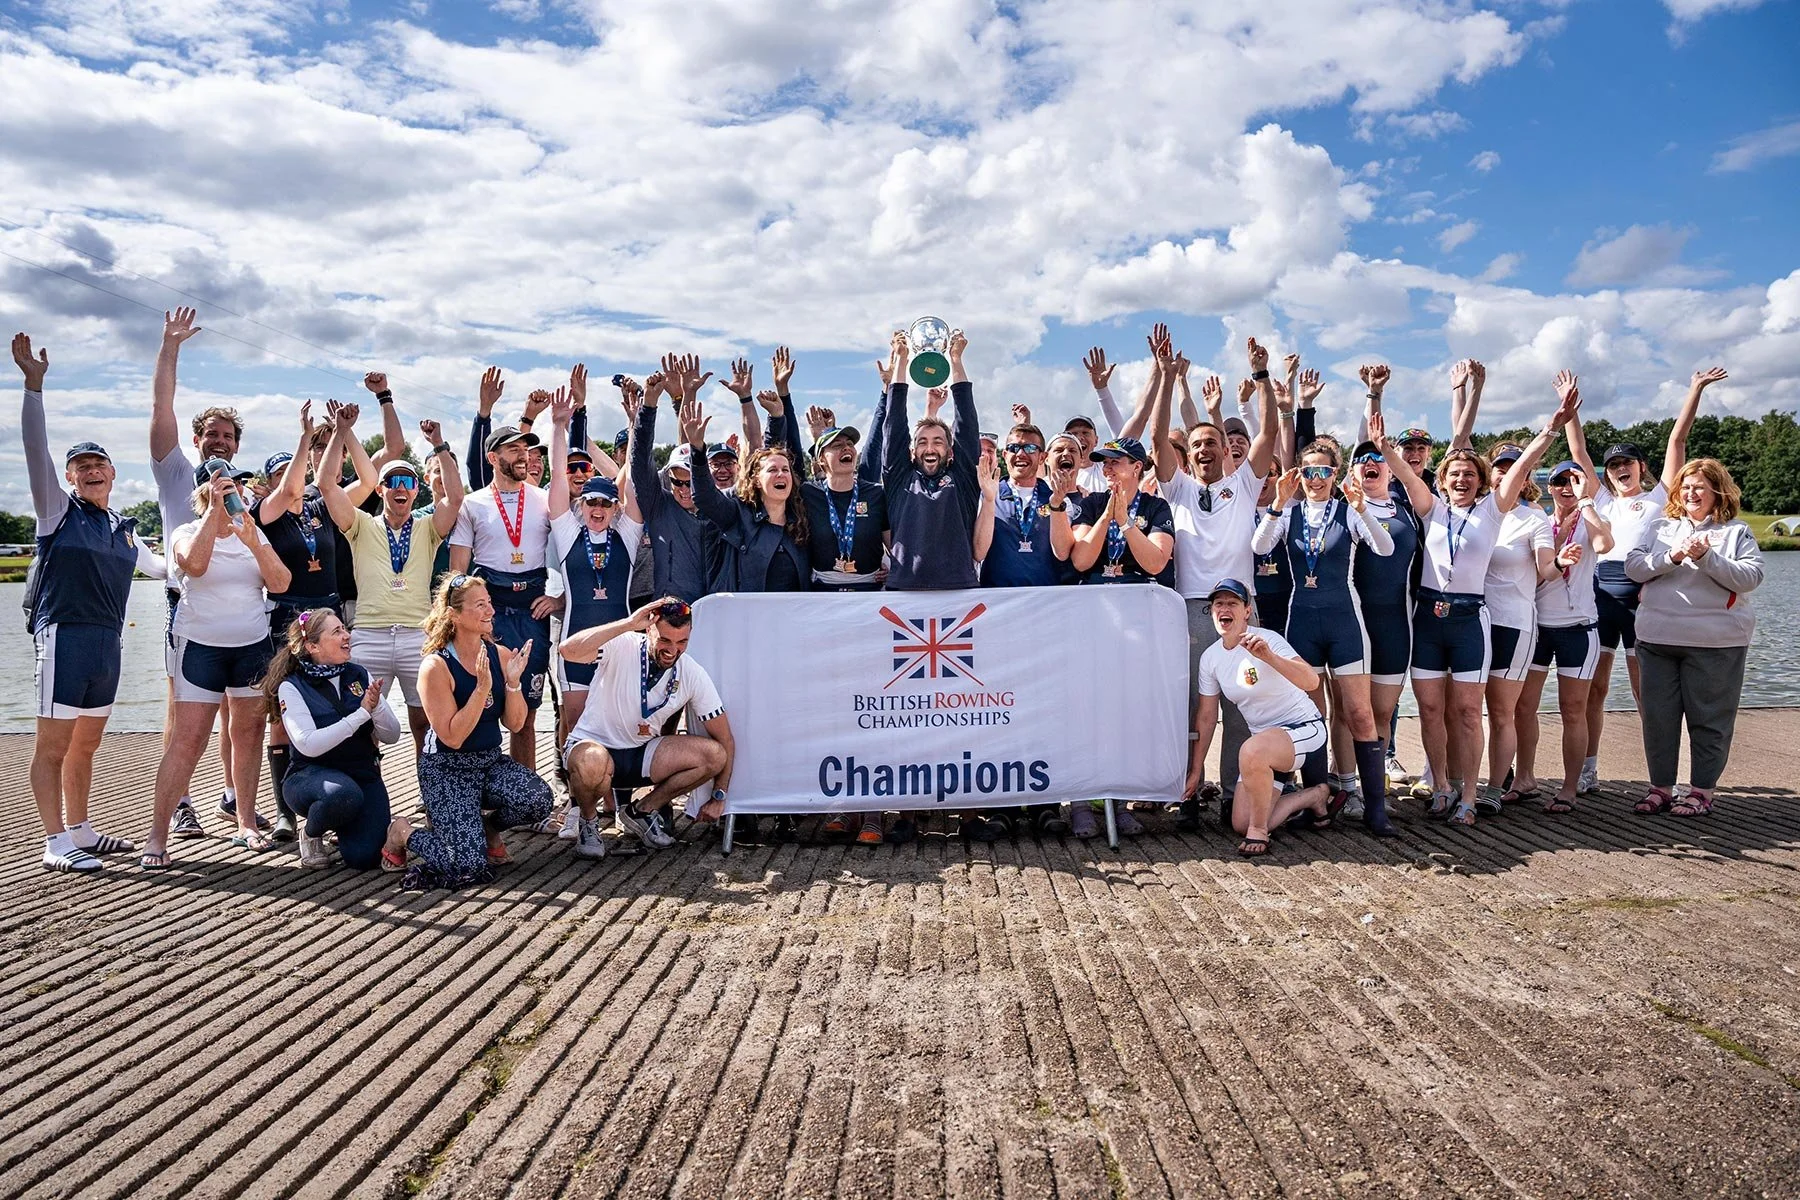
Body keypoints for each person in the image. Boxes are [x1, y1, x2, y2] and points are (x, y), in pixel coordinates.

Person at [1372, 384, 1569, 827]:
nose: (1461, 480)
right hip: (1428, 618)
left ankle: (1469, 794)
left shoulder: (1492, 512)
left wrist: (1550, 430)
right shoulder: (1431, 509)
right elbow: (1405, 476)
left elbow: (1522, 468)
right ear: (1442, 480)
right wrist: (1383, 446)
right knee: (1430, 710)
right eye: (1454, 475)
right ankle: (1441, 785)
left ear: (1480, 481)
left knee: (1466, 711)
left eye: (1469, 475)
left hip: (1469, 620)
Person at [17, 334, 162, 871]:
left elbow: (166, 570)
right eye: (81, 465)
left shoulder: (125, 529)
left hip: (107, 643)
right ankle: (54, 841)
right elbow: (35, 451)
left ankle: (81, 829)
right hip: (64, 636)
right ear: (70, 477)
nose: (91, 469)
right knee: (53, 746)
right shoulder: (56, 511)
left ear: (113, 472)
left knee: (86, 745)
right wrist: (34, 388)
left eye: (99, 461)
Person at [1567, 366, 1727, 793]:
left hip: (1643, 598)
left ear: (1641, 467)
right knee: (1595, 689)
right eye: (1613, 465)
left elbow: (1677, 440)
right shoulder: (1601, 498)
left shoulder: (1659, 497)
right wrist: (1569, 409)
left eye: (1627, 463)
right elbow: (1578, 450)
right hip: (1601, 596)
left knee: (1648, 695)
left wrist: (1695, 388)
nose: (1620, 469)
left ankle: (1664, 779)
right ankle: (1588, 769)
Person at [1151, 331, 1279, 816]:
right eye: (1197, 444)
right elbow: (1158, 439)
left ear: (1227, 450)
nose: (1204, 449)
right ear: (1189, 454)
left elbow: (1268, 434)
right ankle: (1187, 790)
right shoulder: (1178, 488)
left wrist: (1262, 376)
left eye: (1212, 443)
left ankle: (1232, 795)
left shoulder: (1244, 484)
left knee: (1241, 706)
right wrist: (1166, 378)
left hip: (1241, 611)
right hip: (1190, 610)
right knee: (1191, 707)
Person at [143, 463, 294, 867]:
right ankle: (157, 836)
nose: (235, 492)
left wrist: (254, 542)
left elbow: (281, 583)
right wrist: (214, 513)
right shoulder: (186, 531)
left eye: (238, 486)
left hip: (250, 646)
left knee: (248, 733)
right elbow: (193, 565)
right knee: (188, 739)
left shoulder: (253, 532)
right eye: (225, 487)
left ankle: (246, 823)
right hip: (201, 648)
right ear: (203, 495)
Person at [1248, 442, 1397, 836]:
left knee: (1360, 714)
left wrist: (1361, 507)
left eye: (1324, 471)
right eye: (1309, 471)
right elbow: (1259, 546)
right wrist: (1278, 501)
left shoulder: (1347, 511)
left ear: (1335, 474)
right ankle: (1319, 802)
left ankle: (1374, 809)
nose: (1316, 479)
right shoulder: (1289, 513)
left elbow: (1385, 548)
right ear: (1299, 475)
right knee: (1311, 717)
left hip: (1344, 622)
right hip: (1303, 624)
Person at [384, 575, 552, 887]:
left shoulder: (500, 654)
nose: (490, 611)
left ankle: (486, 829)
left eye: (489, 603)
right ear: (454, 615)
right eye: (480, 605)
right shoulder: (435, 666)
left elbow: (515, 724)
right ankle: (402, 832)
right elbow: (452, 737)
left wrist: (514, 683)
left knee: (538, 800)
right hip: (447, 768)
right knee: (466, 865)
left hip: (488, 762)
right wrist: (480, 689)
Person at [147, 306, 244, 837]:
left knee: (235, 707)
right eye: (211, 434)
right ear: (196, 438)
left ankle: (232, 797)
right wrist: (171, 347)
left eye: (227, 435)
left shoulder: (242, 488)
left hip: (238, 605)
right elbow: (161, 406)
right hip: (184, 603)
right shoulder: (176, 473)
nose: (219, 441)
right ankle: (181, 801)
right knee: (181, 707)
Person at [1625, 458, 1762, 818]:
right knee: (1658, 719)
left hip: (1716, 642)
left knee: (1709, 720)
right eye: (1685, 487)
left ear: (1718, 491)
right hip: (1656, 640)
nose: (1691, 493)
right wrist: (1673, 555)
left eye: (1700, 486)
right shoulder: (1659, 527)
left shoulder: (1736, 531)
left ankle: (1701, 791)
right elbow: (1634, 567)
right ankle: (1660, 789)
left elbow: (1750, 578)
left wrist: (1707, 558)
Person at [323, 413, 462, 754]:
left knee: (426, 720)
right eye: (392, 481)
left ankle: (428, 782)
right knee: (362, 720)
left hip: (417, 634)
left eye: (408, 482)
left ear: (416, 491)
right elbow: (327, 486)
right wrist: (341, 432)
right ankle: (368, 782)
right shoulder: (360, 524)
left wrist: (439, 445)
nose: (401, 488)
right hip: (370, 634)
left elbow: (456, 498)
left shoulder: (428, 527)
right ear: (380, 489)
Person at [559, 598, 734, 856]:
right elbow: (568, 651)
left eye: (682, 642)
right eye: (665, 640)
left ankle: (642, 811)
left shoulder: (691, 672)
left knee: (714, 755)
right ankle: (588, 821)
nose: (672, 650)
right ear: (649, 629)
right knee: (592, 761)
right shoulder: (622, 643)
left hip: (640, 755)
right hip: (593, 747)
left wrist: (719, 796)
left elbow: (725, 739)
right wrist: (628, 624)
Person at [1185, 580, 1332, 858]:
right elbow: (1206, 717)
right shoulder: (1210, 658)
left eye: (1232, 603)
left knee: (1251, 752)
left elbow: (1311, 682)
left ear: (1247, 611)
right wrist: (1195, 770)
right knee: (1239, 822)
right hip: (1265, 748)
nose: (1224, 609)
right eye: (1218, 604)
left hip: (1303, 729)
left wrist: (1269, 656)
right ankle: (1313, 796)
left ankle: (1259, 832)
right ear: (1212, 611)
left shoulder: (1268, 639)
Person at [449, 419, 556, 769]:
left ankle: (526, 792)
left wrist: (560, 600)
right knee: (479, 703)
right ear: (493, 458)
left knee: (525, 713)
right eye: (514, 449)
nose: (524, 456)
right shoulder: (472, 504)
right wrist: (453, 625)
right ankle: (477, 785)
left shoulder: (545, 500)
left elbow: (572, 554)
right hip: (489, 614)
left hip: (532, 613)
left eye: (526, 449)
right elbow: (457, 574)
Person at [264, 608, 402, 868]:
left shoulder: (359, 674)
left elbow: (392, 735)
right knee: (342, 794)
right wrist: (362, 714)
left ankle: (344, 827)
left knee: (365, 858)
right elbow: (309, 744)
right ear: (312, 646)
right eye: (337, 631)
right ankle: (311, 833)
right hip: (310, 777)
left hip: (362, 773)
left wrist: (376, 709)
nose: (346, 635)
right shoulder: (292, 685)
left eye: (344, 628)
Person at [1516, 454, 1613, 814]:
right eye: (1559, 482)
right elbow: (1533, 572)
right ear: (1550, 488)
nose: (1565, 488)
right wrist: (1556, 547)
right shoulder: (1539, 522)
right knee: (1523, 707)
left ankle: (1569, 788)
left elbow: (1604, 546)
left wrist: (1586, 501)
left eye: (1573, 481)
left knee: (1573, 709)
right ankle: (1524, 778)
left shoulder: (1591, 519)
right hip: (1538, 627)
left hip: (1578, 628)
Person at [1479, 444, 1555, 814]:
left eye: (1516, 469)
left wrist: (1561, 563)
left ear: (1525, 478)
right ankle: (1455, 784)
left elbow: (1546, 569)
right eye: (1501, 467)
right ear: (1490, 473)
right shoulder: (1476, 511)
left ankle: (1495, 788)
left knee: (1501, 712)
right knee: (1464, 709)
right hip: (1474, 623)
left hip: (1513, 624)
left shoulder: (1534, 518)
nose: (1507, 474)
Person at [881, 327, 981, 591]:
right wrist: (902, 360)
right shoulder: (900, 478)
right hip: (904, 591)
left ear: (950, 451)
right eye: (922, 442)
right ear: (912, 451)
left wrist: (956, 360)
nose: (930, 448)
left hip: (959, 590)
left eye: (938, 442)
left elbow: (967, 424)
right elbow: (894, 424)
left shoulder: (963, 479)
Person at [682, 396, 811, 593]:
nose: (781, 474)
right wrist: (698, 451)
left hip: (794, 612)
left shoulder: (801, 518)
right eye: (772, 470)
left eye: (786, 470)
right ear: (756, 480)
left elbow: (774, 451)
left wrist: (777, 417)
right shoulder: (738, 515)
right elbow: (705, 498)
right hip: (745, 612)